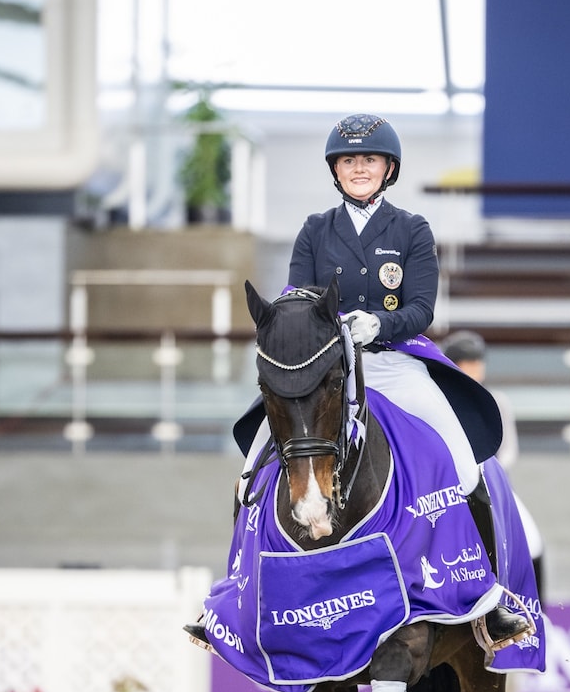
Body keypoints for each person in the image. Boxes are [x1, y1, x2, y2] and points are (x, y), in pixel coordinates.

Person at [188, 114, 530, 651]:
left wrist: (380, 324)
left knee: (462, 456)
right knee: (253, 466)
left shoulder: (411, 229)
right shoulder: (315, 230)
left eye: (369, 160)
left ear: (387, 168)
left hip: (393, 359)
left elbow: (420, 307)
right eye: (349, 161)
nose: (359, 168)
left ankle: (487, 598)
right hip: (326, 366)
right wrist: (322, 331)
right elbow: (294, 299)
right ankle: (234, 594)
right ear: (336, 171)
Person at [439, 329, 545, 604]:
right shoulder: (438, 400)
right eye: (468, 362)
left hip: (493, 481)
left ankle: (537, 609)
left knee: (532, 540)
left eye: (478, 362)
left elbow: (509, 450)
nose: (476, 368)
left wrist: (487, 467)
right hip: (450, 486)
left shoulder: (497, 400)